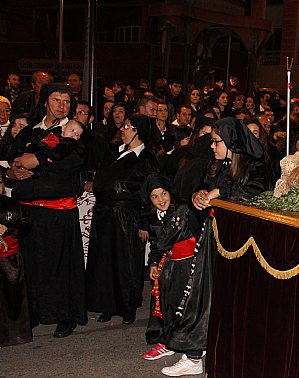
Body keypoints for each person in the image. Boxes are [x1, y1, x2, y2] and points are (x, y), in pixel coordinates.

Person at [162, 117, 266, 377]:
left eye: (217, 141)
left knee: (219, 296)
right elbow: (205, 191)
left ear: (231, 142)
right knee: (202, 293)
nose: (211, 146)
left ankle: (201, 352)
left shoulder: (256, 166)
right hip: (214, 236)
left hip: (241, 244)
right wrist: (201, 194)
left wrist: (217, 193)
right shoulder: (218, 165)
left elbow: (254, 193)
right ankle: (195, 351)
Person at [5, 83, 87, 338]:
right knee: (31, 267)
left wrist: (38, 161)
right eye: (56, 100)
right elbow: (11, 156)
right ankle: (36, 312)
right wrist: (13, 171)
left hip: (58, 212)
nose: (61, 105)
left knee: (60, 267)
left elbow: (73, 162)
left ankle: (65, 315)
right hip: (29, 212)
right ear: (45, 102)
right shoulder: (31, 130)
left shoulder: (74, 133)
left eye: (65, 101)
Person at [85, 114, 159, 325]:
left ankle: (128, 306)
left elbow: (152, 192)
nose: (123, 129)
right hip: (104, 215)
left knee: (126, 262)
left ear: (138, 131)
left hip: (127, 216)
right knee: (104, 261)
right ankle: (107, 304)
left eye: (127, 126)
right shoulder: (115, 153)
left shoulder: (146, 159)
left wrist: (145, 223)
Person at [140, 173, 202, 360]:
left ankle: (188, 343)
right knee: (168, 304)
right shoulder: (154, 218)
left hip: (189, 264)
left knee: (186, 306)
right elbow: (156, 244)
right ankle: (168, 340)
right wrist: (152, 264)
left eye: (164, 194)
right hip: (169, 265)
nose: (161, 200)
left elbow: (196, 235)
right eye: (155, 197)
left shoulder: (182, 210)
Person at [0, 172, 31, 347]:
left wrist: (8, 228)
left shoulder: (12, 203)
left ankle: (14, 335)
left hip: (10, 258)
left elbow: (26, 225)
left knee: (13, 297)